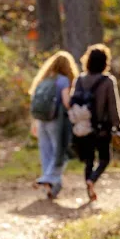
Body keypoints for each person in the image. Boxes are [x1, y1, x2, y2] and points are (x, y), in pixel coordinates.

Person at [71, 44, 120, 202]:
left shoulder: (80, 79)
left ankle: (89, 185)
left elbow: (74, 101)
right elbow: (113, 105)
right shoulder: (108, 81)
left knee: (89, 159)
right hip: (102, 127)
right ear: (104, 62)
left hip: (84, 126)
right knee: (104, 158)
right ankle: (92, 180)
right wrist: (118, 125)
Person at [29, 51, 79, 199]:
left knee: (46, 153)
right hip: (56, 121)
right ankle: (48, 179)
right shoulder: (63, 80)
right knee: (61, 153)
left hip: (41, 120)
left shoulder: (44, 80)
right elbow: (66, 102)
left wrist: (34, 123)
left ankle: (51, 187)